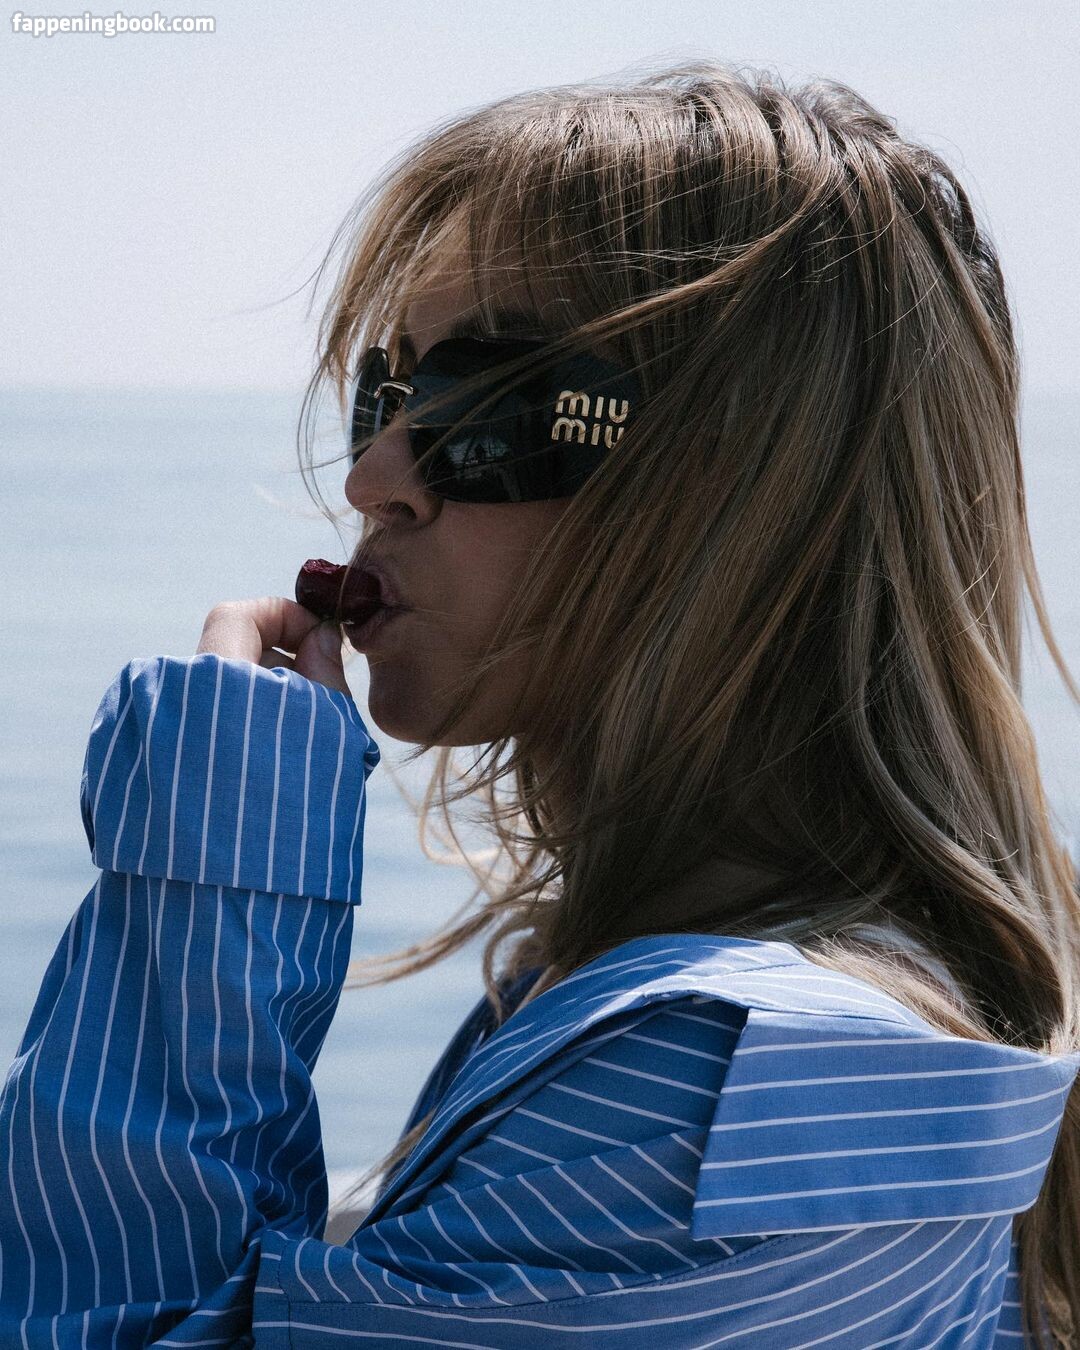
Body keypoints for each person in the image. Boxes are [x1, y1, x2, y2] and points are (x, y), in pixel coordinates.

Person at [2, 58, 1079, 1349]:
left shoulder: (718, 1085)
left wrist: (216, 870)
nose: (374, 476)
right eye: (389, 392)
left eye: (485, 406)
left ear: (749, 495)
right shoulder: (623, 995)